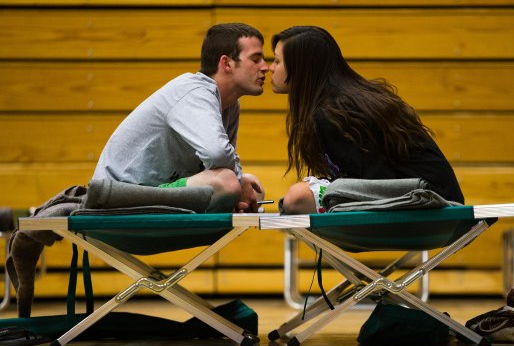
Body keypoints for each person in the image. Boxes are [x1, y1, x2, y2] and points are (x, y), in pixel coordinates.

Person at [269, 26, 464, 214]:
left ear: (301, 67)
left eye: (277, 61)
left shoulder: (336, 113)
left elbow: (374, 181)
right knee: (301, 195)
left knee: (298, 197)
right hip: (428, 201)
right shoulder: (337, 104)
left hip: (434, 206)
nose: (270, 68)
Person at [93, 23, 269, 213]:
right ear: (227, 63)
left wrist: (242, 182)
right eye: (256, 59)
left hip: (153, 191)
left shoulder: (230, 104)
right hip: (117, 197)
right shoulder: (194, 92)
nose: (265, 67)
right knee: (228, 183)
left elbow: (223, 161)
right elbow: (218, 155)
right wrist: (238, 182)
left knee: (253, 187)